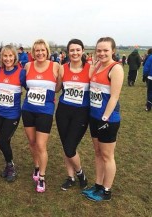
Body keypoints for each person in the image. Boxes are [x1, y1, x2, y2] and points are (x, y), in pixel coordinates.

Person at [82, 37, 124, 201]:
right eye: (99, 50)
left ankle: (106, 191)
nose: (102, 53)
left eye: (105, 50)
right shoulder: (98, 66)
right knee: (98, 153)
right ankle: (98, 185)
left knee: (107, 156)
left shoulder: (116, 68)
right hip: (94, 117)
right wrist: (93, 64)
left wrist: (105, 118)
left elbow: (114, 97)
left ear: (113, 50)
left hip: (108, 120)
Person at [22, 39, 60, 192]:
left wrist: (50, 95)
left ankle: (42, 177)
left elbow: (59, 87)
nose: (40, 53)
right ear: (33, 52)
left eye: (42, 50)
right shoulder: (28, 66)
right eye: (37, 50)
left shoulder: (55, 66)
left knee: (41, 144)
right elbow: (25, 84)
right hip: (28, 109)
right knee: (32, 142)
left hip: (45, 111)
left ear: (47, 51)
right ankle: (36, 167)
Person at [55, 39, 90, 191]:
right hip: (63, 111)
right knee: (65, 146)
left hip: (81, 113)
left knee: (70, 147)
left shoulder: (91, 69)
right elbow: (57, 89)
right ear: (67, 52)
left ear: (82, 51)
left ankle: (80, 173)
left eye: (77, 50)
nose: (75, 53)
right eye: (72, 50)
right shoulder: (63, 68)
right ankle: (70, 177)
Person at [0, 45, 25, 182]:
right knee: (5, 141)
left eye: (10, 56)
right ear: (2, 57)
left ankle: (11, 166)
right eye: (5, 56)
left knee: (2, 141)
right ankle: (8, 166)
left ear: (15, 57)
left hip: (12, 114)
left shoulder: (21, 72)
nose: (7, 59)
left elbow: (31, 88)